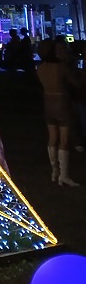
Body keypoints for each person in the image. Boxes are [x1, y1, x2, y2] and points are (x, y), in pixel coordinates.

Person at [36, 36, 81, 186]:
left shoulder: (41, 68)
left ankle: (54, 171)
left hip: (47, 102)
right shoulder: (61, 67)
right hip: (62, 102)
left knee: (52, 138)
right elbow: (76, 84)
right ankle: (64, 175)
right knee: (64, 139)